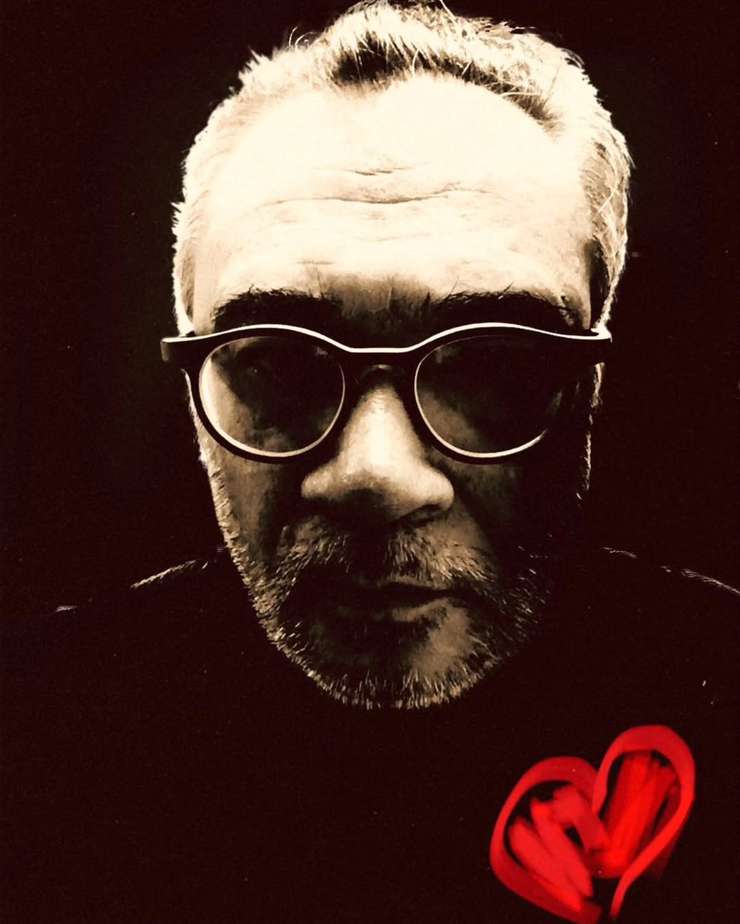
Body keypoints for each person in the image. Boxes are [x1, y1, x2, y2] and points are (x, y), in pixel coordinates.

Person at [3, 3, 737, 922]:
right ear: (192, 374)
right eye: (277, 362)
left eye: (495, 361)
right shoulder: (31, 733)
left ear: (594, 376)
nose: (377, 475)